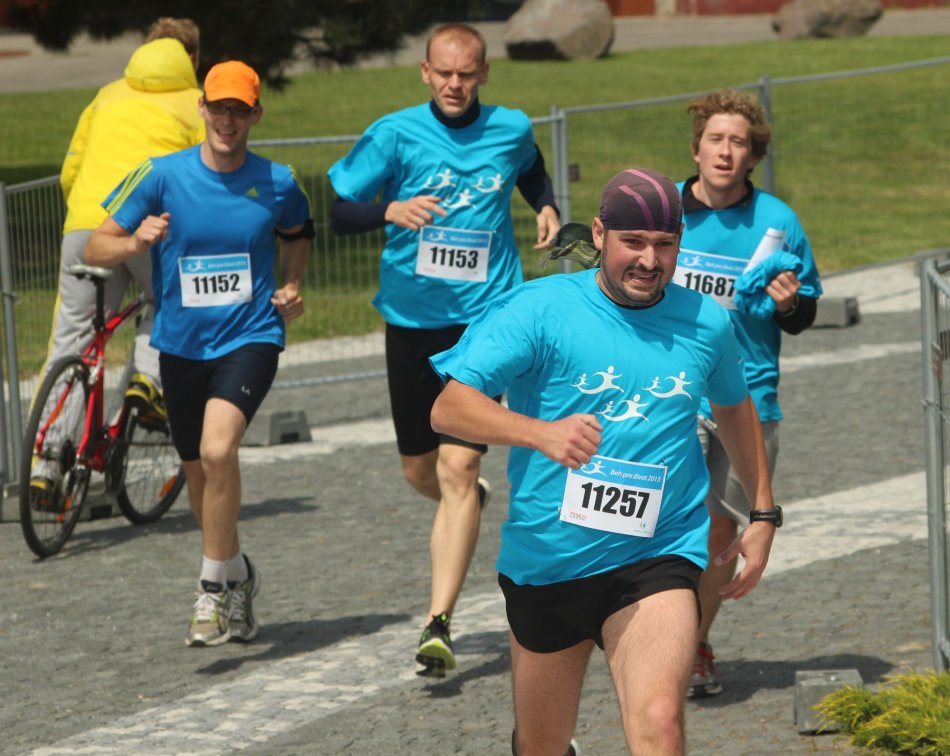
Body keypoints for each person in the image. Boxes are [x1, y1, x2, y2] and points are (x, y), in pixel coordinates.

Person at [429, 168, 779, 754]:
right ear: (599, 234)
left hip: (656, 554)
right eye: (633, 242)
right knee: (541, 744)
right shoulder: (539, 309)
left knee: (660, 722)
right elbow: (448, 409)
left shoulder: (705, 321)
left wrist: (763, 513)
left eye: (665, 244)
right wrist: (539, 433)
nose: (649, 260)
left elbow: (734, 407)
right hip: (549, 561)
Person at [327, 22, 560, 677]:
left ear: (483, 73)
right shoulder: (394, 133)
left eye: (467, 74)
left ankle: (438, 623)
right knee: (419, 471)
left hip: (486, 322)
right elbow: (339, 210)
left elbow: (531, 170)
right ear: (425, 73)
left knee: (458, 468)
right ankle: (465, 504)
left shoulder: (510, 128)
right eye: (444, 74)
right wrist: (388, 211)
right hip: (411, 320)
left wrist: (544, 206)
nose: (455, 85)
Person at [84, 61, 314, 647]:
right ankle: (238, 574)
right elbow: (95, 244)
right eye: (219, 108)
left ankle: (211, 590)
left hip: (251, 337)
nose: (227, 120)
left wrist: (291, 284)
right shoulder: (161, 176)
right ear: (202, 109)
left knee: (218, 450)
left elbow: (298, 232)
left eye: (239, 110)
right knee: (198, 475)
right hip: (181, 345)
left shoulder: (278, 181)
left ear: (256, 114)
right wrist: (134, 241)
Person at [673, 88, 822, 698]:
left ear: (753, 156)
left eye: (738, 142)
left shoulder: (777, 222)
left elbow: (804, 313)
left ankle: (694, 643)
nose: (725, 151)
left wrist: (789, 304)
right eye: (715, 139)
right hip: (674, 392)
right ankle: (657, 634)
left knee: (720, 531)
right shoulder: (666, 211)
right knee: (665, 521)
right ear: (697, 149)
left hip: (749, 396)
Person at [30, 17, 204, 507]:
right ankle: (147, 378)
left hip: (88, 225)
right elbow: (205, 175)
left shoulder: (106, 95)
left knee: (72, 340)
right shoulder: (195, 103)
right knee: (171, 298)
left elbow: (71, 169)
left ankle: (45, 464)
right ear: (192, 58)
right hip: (154, 227)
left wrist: (88, 218)